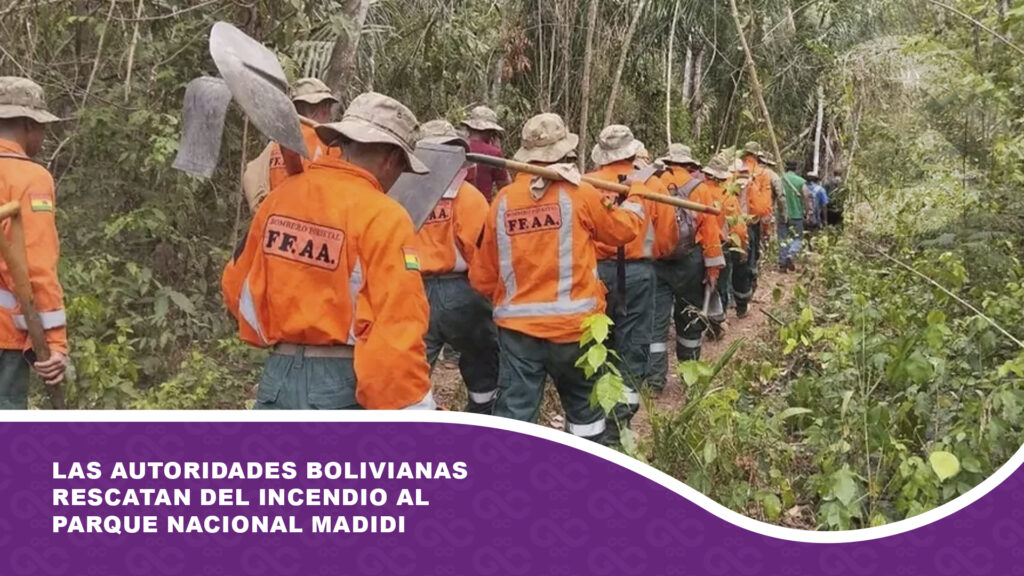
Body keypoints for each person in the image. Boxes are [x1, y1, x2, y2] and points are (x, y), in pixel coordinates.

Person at [222, 92, 435, 410]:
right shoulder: (384, 216)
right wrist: (413, 409)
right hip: (342, 385)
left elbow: (236, 289)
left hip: (276, 381)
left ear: (343, 143)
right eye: (402, 168)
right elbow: (397, 327)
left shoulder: (280, 198)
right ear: (392, 159)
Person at [469, 113, 644, 444]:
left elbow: (481, 277)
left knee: (516, 415)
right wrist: (635, 199)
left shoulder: (502, 202)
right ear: (563, 152)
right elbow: (622, 232)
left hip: (518, 333)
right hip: (574, 330)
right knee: (584, 412)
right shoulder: (580, 194)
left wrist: (514, 301)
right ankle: (583, 475)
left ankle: (508, 485)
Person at [586, 125, 676, 440]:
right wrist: (657, 256)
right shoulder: (652, 185)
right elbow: (667, 237)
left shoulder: (586, 183)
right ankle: (618, 425)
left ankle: (592, 420)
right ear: (631, 152)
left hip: (593, 274)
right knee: (633, 347)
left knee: (597, 346)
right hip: (638, 274)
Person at [411, 120, 498, 413]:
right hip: (460, 290)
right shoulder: (468, 198)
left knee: (414, 363)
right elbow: (483, 253)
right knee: (481, 357)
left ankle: (413, 421)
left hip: (415, 287)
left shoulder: (406, 195)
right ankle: (480, 417)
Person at [0, 77, 68, 406]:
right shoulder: (30, 178)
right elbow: (35, 266)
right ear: (29, 124)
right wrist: (55, 343)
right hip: (4, 339)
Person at [652, 144, 725, 366]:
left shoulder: (653, 184)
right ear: (690, 165)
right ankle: (689, 369)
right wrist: (712, 269)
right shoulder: (700, 189)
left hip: (657, 260)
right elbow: (711, 233)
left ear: (667, 163)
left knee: (657, 320)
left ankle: (654, 380)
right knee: (690, 316)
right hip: (691, 260)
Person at [243, 78, 341, 210]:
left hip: (277, 217)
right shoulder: (327, 144)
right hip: (307, 220)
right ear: (323, 108)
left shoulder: (277, 142)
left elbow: (252, 177)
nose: (329, 113)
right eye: (327, 107)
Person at [722, 159, 753, 319]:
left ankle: (725, 309)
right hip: (732, 238)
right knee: (739, 271)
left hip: (716, 240)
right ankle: (739, 306)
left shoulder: (708, 189)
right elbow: (738, 222)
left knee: (724, 277)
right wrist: (743, 243)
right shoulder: (733, 193)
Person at [460, 105, 510, 203]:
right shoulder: (493, 153)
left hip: (456, 207)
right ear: (490, 132)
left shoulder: (457, 147)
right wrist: (499, 152)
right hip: (482, 208)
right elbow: (506, 188)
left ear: (469, 128)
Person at [741, 142, 773, 284]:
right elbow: (765, 206)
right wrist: (766, 228)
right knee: (751, 256)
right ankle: (747, 287)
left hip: (733, 220)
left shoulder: (735, 170)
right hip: (752, 221)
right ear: (756, 155)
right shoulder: (762, 173)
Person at [779, 160, 808, 271]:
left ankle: (782, 262)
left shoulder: (780, 180)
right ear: (796, 168)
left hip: (782, 214)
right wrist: (807, 211)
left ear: (786, 167)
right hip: (797, 215)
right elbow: (806, 196)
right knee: (797, 238)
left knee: (783, 238)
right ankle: (790, 255)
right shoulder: (801, 181)